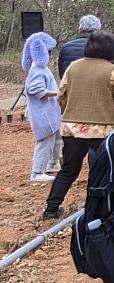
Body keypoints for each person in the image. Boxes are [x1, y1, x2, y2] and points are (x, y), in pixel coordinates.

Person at [42, 31, 114, 220]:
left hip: (72, 129)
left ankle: (51, 209)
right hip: (103, 130)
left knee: (69, 169)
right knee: (108, 169)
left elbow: (61, 95)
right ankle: (106, 206)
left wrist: (69, 113)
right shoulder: (113, 70)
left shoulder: (73, 67)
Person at [22, 32, 60, 182]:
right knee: (44, 140)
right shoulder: (37, 69)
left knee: (54, 138)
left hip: (47, 111)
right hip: (43, 113)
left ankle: (51, 164)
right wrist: (58, 93)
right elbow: (36, 90)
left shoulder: (40, 68)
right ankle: (37, 172)